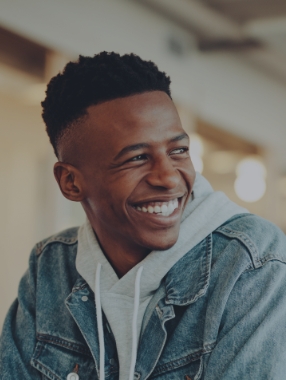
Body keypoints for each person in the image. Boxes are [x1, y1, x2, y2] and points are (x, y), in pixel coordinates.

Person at [1, 52, 286, 380]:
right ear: (71, 182)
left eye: (178, 151)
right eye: (136, 158)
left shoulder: (252, 262)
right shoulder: (51, 266)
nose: (168, 177)